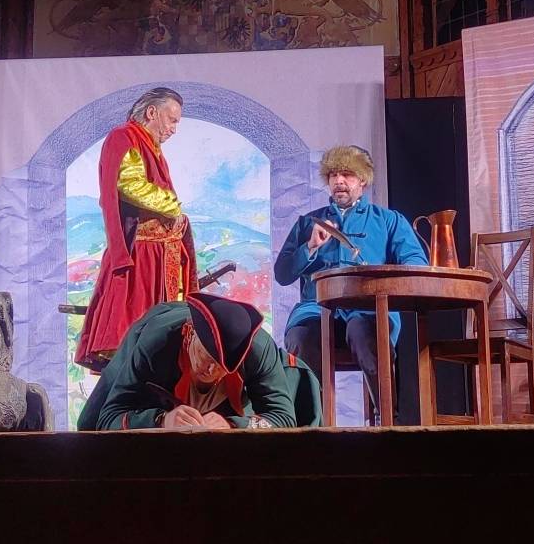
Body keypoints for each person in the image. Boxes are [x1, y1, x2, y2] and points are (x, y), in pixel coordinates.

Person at [274, 145, 428, 419]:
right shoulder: (308, 223)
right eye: (333, 175)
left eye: (347, 174)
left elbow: (416, 262)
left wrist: (383, 276)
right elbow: (283, 273)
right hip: (317, 309)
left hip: (368, 308)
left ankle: (387, 420)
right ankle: (312, 424)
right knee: (302, 337)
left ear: (363, 180)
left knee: (364, 332)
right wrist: (310, 247)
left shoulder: (388, 220)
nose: (339, 181)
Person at [76, 87, 198, 371]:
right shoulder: (125, 137)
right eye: (172, 120)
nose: (174, 129)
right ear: (152, 112)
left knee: (159, 339)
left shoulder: (149, 146)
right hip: (141, 254)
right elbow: (129, 185)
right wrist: (172, 206)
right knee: (133, 330)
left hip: (159, 255)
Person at [77, 293, 298, 430]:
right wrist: (162, 420)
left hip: (228, 417)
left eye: (221, 367)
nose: (210, 370)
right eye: (205, 356)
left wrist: (231, 424)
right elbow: (109, 418)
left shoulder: (257, 350)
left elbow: (284, 418)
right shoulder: (155, 344)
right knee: (89, 430)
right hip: (155, 346)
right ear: (189, 333)